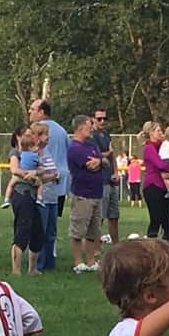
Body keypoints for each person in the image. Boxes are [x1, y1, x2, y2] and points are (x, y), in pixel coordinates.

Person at [29, 98, 70, 268]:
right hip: (60, 185)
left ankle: (41, 261)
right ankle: (49, 258)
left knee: (41, 225)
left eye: (32, 109)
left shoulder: (35, 131)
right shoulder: (62, 131)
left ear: (42, 112)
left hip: (45, 186)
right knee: (51, 226)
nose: (29, 113)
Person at [67, 115, 105, 273]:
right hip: (83, 194)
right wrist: (98, 163)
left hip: (96, 194)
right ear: (81, 127)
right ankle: (78, 262)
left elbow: (104, 161)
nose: (92, 128)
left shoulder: (92, 145)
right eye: (90, 125)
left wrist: (100, 161)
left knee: (93, 231)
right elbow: (90, 166)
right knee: (78, 231)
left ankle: (90, 261)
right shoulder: (75, 148)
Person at [9, 127, 46, 276]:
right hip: (21, 194)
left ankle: (32, 269)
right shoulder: (15, 153)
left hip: (33, 196)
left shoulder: (34, 154)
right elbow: (14, 169)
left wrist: (37, 174)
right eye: (28, 134)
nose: (32, 136)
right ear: (19, 137)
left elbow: (43, 170)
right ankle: (16, 270)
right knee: (22, 230)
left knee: (37, 232)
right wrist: (29, 175)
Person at [32, 122, 61, 273]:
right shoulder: (34, 154)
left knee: (51, 232)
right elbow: (37, 176)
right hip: (41, 198)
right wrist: (52, 176)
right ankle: (38, 264)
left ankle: (50, 263)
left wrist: (54, 176)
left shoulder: (47, 152)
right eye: (44, 134)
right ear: (36, 137)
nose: (47, 137)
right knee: (41, 231)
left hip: (52, 197)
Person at [138, 122, 169, 239]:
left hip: (164, 188)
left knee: (167, 220)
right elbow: (160, 164)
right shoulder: (149, 148)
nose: (161, 133)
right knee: (156, 219)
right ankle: (151, 247)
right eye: (158, 131)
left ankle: (167, 247)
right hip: (153, 187)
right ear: (151, 133)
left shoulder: (164, 146)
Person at [91, 107, 119, 245]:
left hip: (111, 180)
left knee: (114, 216)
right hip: (100, 181)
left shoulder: (106, 134)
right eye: (99, 118)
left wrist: (116, 172)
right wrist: (107, 153)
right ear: (93, 119)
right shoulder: (92, 135)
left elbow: (112, 155)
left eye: (104, 118)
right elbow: (94, 155)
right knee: (99, 216)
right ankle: (95, 248)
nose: (102, 121)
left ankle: (116, 247)